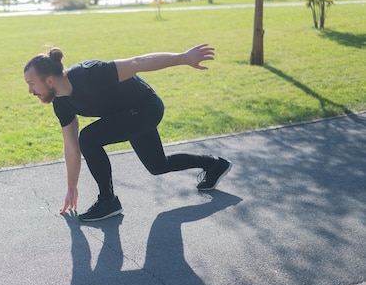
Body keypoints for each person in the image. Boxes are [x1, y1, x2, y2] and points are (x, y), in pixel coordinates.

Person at [23, 44, 232, 222]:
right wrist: (71, 187)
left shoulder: (90, 74)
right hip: (127, 115)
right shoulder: (61, 104)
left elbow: (138, 62)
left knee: (89, 138)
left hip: (146, 107)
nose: (30, 91)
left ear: (49, 80)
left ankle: (108, 201)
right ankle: (214, 164)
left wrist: (183, 58)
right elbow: (71, 147)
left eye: (32, 84)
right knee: (158, 166)